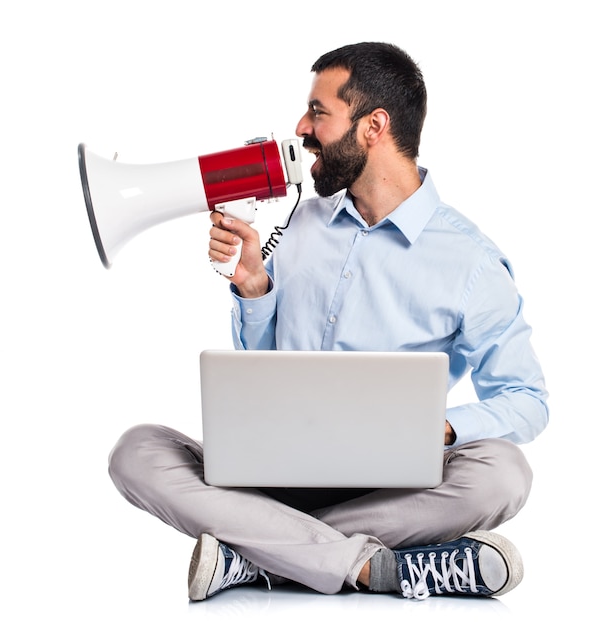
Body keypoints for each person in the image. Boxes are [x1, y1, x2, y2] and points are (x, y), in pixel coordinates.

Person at [108, 42, 548, 602]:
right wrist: (254, 286)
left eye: (319, 111)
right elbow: (262, 375)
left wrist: (433, 429)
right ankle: (373, 568)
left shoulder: (471, 262)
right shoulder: (300, 223)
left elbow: (526, 399)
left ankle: (259, 556)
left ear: (374, 126)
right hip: (270, 472)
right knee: (136, 451)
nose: (300, 126)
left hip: (386, 486)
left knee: (502, 473)